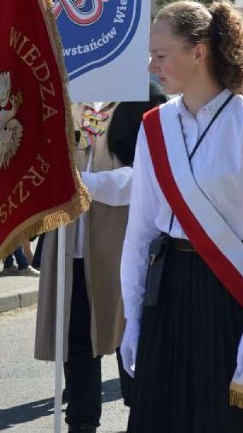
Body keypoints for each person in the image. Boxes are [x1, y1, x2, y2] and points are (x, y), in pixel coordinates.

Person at [120, 0, 243, 431]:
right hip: (170, 290)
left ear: (198, 52)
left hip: (230, 296)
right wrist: (133, 320)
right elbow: (139, 232)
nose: (151, 66)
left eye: (160, 55)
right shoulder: (153, 125)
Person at [34, 82, 166, 433]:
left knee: (129, 338)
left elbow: (149, 179)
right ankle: (82, 422)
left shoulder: (146, 100)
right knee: (78, 344)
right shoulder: (62, 98)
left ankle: (142, 416)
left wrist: (86, 183)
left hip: (121, 246)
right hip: (70, 246)